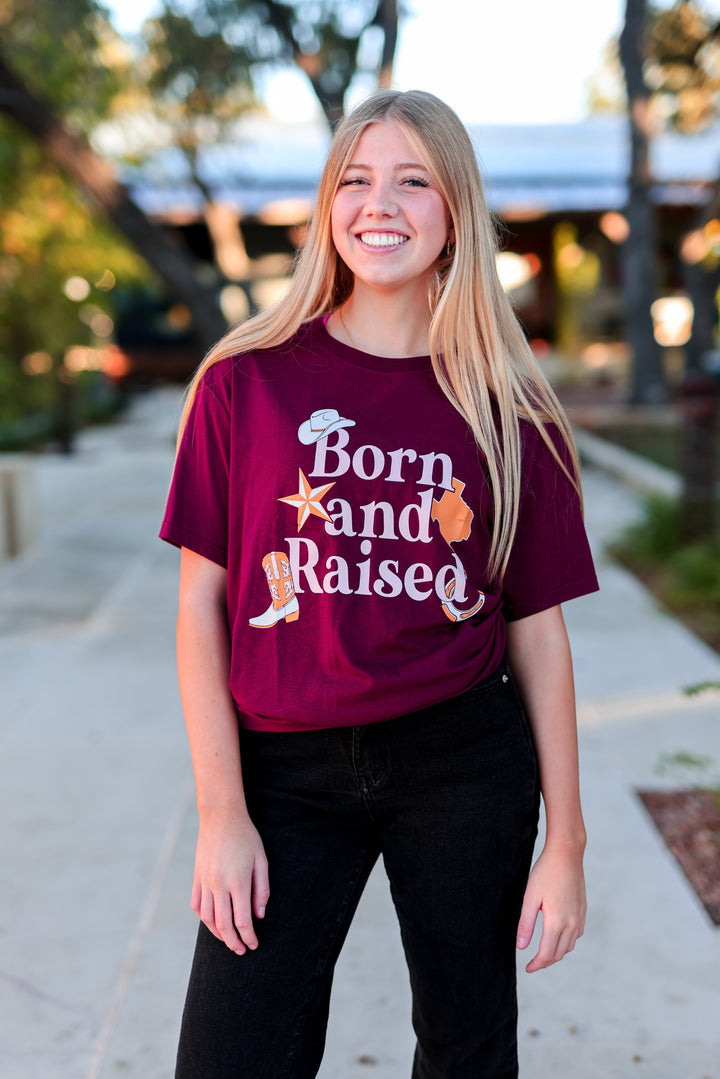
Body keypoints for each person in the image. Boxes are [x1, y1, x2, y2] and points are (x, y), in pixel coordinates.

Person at [160, 88, 599, 1079]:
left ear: (454, 213)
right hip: (285, 768)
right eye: (354, 180)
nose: (379, 204)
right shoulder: (247, 380)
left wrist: (565, 842)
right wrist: (221, 810)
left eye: (413, 180)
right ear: (327, 206)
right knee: (231, 1054)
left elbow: (538, 630)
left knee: (464, 1048)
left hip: (461, 759)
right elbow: (200, 604)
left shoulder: (509, 407)